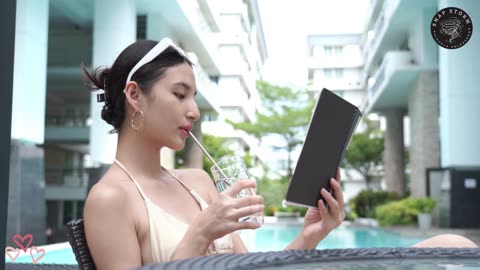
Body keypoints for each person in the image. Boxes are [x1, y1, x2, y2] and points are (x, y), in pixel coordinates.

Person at [82, 38, 477, 270]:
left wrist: (311, 234)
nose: (194, 110)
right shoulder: (110, 200)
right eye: (179, 94)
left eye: (194, 97)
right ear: (135, 95)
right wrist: (201, 232)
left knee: (453, 246)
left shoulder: (197, 181)